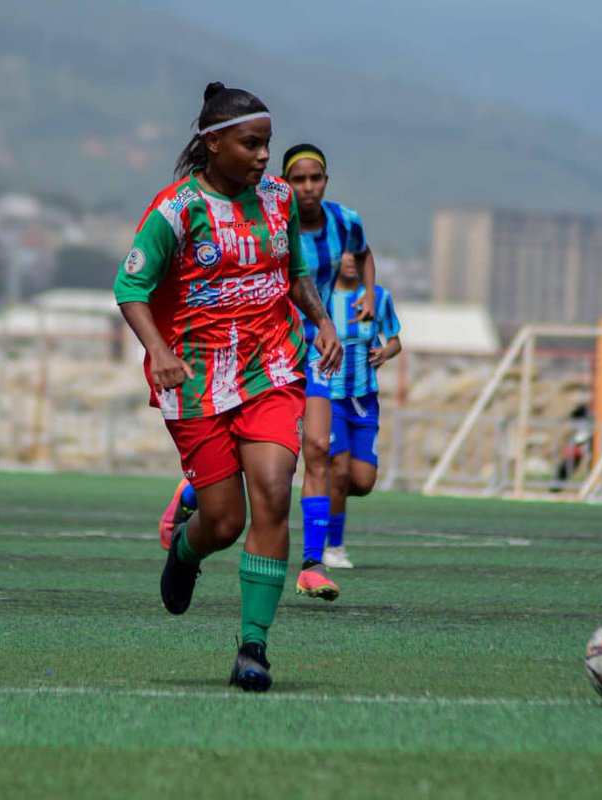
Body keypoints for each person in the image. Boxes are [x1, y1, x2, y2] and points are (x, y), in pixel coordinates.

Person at [115, 82, 342, 692]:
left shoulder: (277, 201)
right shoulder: (175, 210)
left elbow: (294, 272)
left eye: (267, 144)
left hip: (271, 369)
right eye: (251, 144)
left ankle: (253, 648)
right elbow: (130, 290)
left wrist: (321, 321)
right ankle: (186, 551)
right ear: (213, 144)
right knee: (223, 523)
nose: (265, 157)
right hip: (193, 381)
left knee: (273, 489)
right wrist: (158, 350)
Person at [282, 144, 377, 599]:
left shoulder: (345, 220)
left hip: (316, 347)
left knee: (317, 446)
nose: (307, 187)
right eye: (298, 180)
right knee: (259, 461)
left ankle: (312, 564)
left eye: (314, 178)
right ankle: (188, 496)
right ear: (286, 182)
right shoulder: (274, 220)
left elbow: (364, 252)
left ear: (325, 179)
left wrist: (370, 295)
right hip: (266, 346)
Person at [322, 252, 401, 568]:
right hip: (330, 399)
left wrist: (385, 352)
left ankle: (321, 494)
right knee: (338, 472)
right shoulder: (321, 296)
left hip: (365, 401)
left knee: (363, 481)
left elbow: (395, 340)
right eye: (345, 254)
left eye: (358, 255)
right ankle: (334, 547)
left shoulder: (378, 298)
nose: (351, 260)